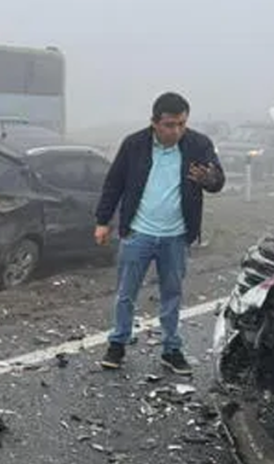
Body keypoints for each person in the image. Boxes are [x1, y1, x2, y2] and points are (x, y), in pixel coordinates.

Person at [93, 92, 225, 376]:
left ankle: (171, 349)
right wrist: (103, 221)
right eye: (169, 125)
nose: (176, 131)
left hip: (176, 236)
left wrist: (209, 179)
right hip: (138, 233)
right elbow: (114, 183)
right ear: (154, 122)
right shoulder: (134, 145)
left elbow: (217, 181)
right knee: (126, 293)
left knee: (172, 294)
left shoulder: (199, 145)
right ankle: (117, 343)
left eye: (181, 124)